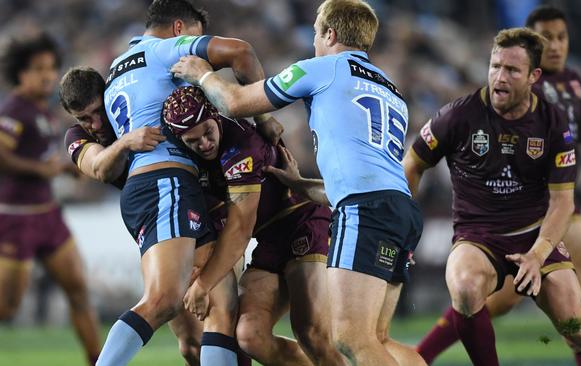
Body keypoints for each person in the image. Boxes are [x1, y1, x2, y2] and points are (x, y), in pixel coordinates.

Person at [172, 1, 425, 364]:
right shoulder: (391, 91)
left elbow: (236, 101)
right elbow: (365, 177)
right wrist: (302, 184)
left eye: (316, 33)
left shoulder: (324, 68)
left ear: (329, 34)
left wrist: (202, 74)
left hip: (365, 212)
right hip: (400, 210)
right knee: (378, 338)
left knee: (351, 339)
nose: (314, 41)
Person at [403, 27, 581, 365]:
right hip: (477, 238)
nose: (499, 77)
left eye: (512, 70)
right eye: (495, 66)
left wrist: (538, 254)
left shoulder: (552, 122)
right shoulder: (457, 115)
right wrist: (403, 225)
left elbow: (563, 201)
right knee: (464, 286)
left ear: (533, 75)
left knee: (578, 329)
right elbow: (411, 165)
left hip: (534, 235)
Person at [97, 1, 269, 365]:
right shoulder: (163, 50)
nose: (197, 47)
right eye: (195, 36)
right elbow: (242, 51)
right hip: (166, 183)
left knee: (220, 301)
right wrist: (264, 121)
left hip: (151, 187)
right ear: (179, 28)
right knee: (163, 300)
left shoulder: (115, 71)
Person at [163, 86, 343, 365]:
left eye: (208, 132)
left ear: (215, 115)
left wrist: (204, 284)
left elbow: (240, 228)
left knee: (312, 333)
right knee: (248, 336)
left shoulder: (242, 145)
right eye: (193, 141)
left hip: (303, 223)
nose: (205, 144)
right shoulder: (189, 161)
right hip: (269, 241)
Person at [59, 66, 206, 366]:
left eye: (98, 111)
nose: (96, 123)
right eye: (84, 118)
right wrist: (125, 142)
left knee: (209, 324)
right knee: (189, 339)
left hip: (186, 200)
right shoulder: (76, 137)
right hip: (157, 213)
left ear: (108, 97)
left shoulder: (135, 102)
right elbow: (99, 168)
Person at [0, 33, 101, 365]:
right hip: (14, 219)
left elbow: (41, 160)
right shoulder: (14, 110)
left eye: (51, 67)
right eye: (38, 68)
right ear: (20, 73)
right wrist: (43, 170)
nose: (47, 74)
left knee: (79, 292)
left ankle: (100, 361)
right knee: (5, 307)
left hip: (48, 215)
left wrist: (59, 169)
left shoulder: (40, 109)